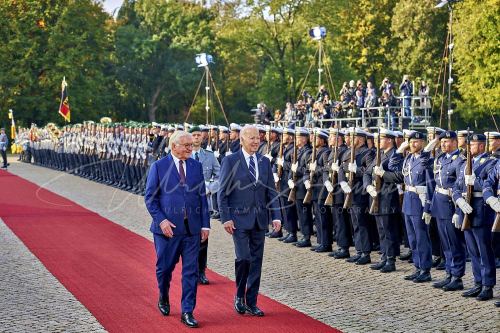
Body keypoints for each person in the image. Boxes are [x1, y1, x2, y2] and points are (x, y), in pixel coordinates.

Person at [144, 130, 210, 328]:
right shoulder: (159, 166)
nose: (191, 148)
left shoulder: (196, 166)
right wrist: (161, 220)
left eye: (192, 145)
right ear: (174, 146)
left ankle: (187, 311)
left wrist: (205, 224)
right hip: (167, 231)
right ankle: (163, 296)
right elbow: (150, 198)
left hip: (192, 230)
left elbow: (202, 198)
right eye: (187, 145)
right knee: (164, 269)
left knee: (191, 272)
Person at [218, 124, 281, 317]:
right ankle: (239, 295)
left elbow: (271, 191)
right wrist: (226, 218)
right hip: (237, 220)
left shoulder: (264, 161)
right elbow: (222, 193)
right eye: (251, 138)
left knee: (257, 261)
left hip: (260, 220)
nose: (256, 141)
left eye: (258, 138)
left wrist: (276, 216)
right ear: (242, 139)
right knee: (244, 258)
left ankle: (252, 301)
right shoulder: (230, 161)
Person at [190, 126, 220, 285]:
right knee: (188, 237)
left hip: (204, 204)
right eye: (193, 135)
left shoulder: (209, 156)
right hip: (187, 205)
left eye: (198, 135)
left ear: (202, 137)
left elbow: (220, 176)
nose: (196, 138)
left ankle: (201, 271)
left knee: (203, 237)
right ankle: (190, 270)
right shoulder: (185, 155)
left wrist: (210, 188)